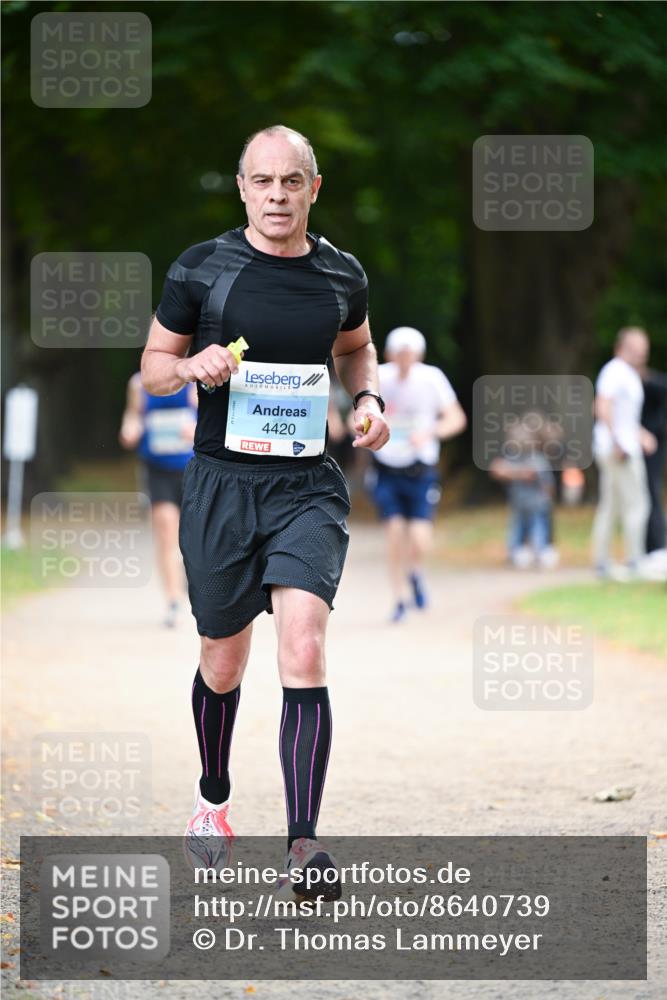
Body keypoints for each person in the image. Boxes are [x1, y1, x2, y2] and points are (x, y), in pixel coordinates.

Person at [140, 125, 389, 899]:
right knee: (223, 660)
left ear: (315, 187)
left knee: (304, 648)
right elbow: (151, 371)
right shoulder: (202, 269)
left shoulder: (340, 274)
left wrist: (370, 399)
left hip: (305, 486)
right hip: (219, 486)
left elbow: (355, 349)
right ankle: (213, 796)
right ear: (242, 188)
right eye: (262, 181)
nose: (277, 195)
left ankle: (304, 845)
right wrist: (188, 365)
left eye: (292, 181)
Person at [367, 326, 466, 622]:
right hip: (386, 468)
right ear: (389, 354)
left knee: (420, 539)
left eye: (410, 354)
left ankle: (415, 572)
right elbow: (354, 418)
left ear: (419, 355)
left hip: (420, 469)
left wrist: (429, 433)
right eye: (399, 353)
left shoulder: (431, 379)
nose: (404, 359)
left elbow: (456, 418)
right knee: (395, 534)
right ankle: (398, 600)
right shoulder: (378, 377)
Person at [119, 373, 197, 626]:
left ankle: (194, 583)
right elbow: (133, 415)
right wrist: (131, 428)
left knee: (196, 536)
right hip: (157, 468)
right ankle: (173, 601)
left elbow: (213, 419)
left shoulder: (194, 380)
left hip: (193, 468)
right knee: (165, 529)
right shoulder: (138, 383)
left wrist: (198, 430)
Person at [591, 327, 656, 579]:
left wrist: (641, 434)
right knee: (637, 504)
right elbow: (603, 405)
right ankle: (634, 560)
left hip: (620, 444)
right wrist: (619, 442)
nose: (641, 353)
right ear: (621, 347)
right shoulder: (615, 371)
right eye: (636, 348)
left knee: (611, 504)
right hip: (619, 450)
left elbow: (624, 416)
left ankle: (602, 561)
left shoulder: (627, 373)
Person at [489, 414, 559, 570]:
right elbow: (497, 469)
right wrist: (518, 473)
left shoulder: (537, 458)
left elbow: (543, 481)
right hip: (519, 502)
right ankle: (515, 553)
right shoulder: (513, 456)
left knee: (538, 528)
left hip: (538, 503)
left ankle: (540, 553)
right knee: (517, 528)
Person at [641, 367, 667, 553]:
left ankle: (656, 545)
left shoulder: (655, 384)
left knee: (651, 492)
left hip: (653, 444)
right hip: (643, 445)